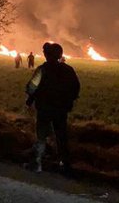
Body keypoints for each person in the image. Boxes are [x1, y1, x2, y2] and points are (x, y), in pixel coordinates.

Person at [25, 42, 80, 174]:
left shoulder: (42, 70)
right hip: (61, 109)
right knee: (61, 136)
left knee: (42, 136)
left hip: (44, 108)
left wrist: (31, 97)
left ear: (47, 55)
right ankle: (65, 164)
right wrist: (68, 101)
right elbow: (76, 88)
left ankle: (37, 163)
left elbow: (31, 88)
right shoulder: (68, 70)